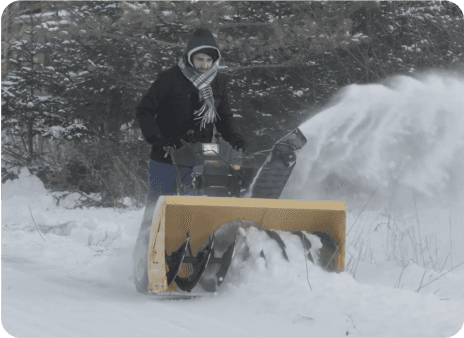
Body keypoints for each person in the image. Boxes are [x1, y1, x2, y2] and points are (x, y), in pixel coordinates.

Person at [134, 27, 247, 240]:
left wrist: (234, 138)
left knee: (199, 204)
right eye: (199, 59)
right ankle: (145, 256)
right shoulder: (169, 78)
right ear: (189, 56)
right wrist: (157, 138)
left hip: (201, 154)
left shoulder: (218, 82)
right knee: (157, 206)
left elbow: (224, 117)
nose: (204, 65)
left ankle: (191, 250)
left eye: (208, 61)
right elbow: (145, 110)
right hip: (166, 153)